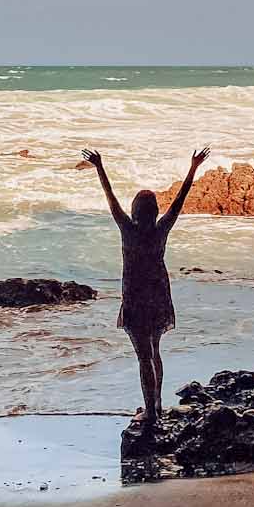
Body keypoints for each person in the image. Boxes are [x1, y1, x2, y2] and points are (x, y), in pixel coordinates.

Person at [82, 145, 209, 435]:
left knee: (143, 357)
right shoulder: (161, 228)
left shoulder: (128, 229)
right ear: (155, 212)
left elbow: (110, 198)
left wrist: (100, 167)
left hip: (137, 299)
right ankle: (157, 405)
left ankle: (151, 412)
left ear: (134, 211)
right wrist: (193, 167)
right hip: (160, 296)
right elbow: (180, 200)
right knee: (155, 350)